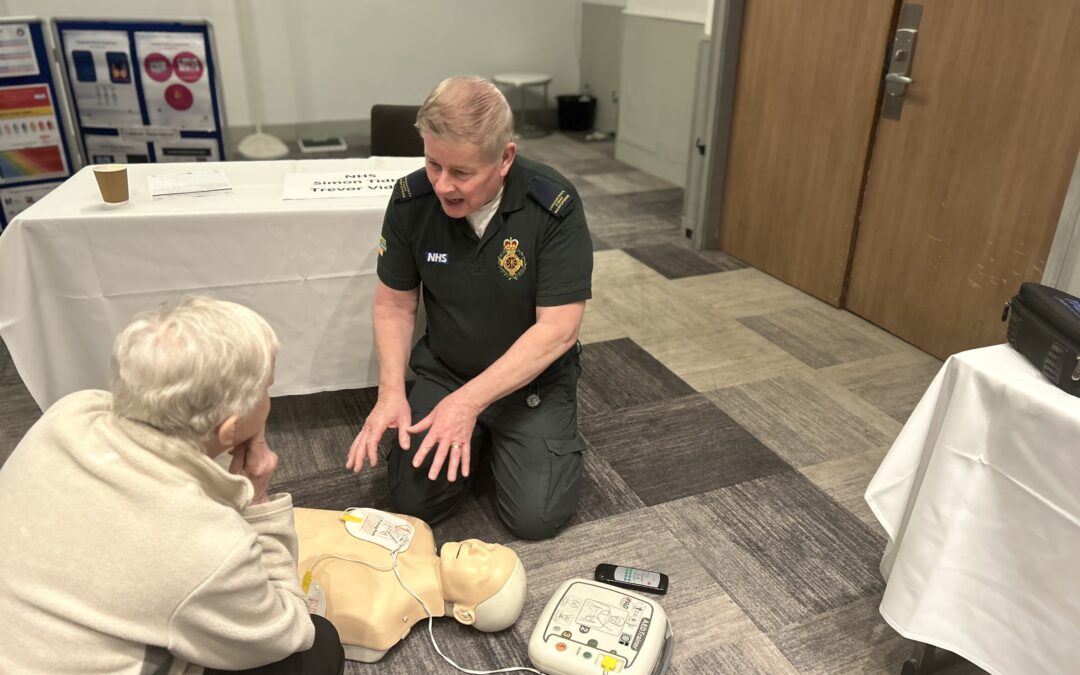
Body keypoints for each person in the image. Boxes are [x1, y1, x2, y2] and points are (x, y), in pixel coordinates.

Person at [0, 297, 344, 675]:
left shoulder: (69, 412)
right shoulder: (212, 547)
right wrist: (258, 499)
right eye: (267, 389)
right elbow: (288, 632)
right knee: (319, 648)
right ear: (229, 429)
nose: (268, 399)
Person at [345, 76, 594, 540]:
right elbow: (395, 303)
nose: (443, 185)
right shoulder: (411, 200)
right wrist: (391, 391)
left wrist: (469, 404)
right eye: (433, 164)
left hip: (531, 382)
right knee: (413, 503)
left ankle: (504, 436)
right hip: (449, 371)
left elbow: (559, 330)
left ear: (505, 158)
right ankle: (481, 438)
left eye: (461, 172)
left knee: (537, 517)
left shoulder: (552, 205)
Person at [293, 507, 527, 663]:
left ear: (464, 614)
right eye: (489, 546)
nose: (476, 548)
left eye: (483, 567)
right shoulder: (416, 528)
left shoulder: (379, 617)